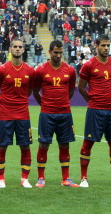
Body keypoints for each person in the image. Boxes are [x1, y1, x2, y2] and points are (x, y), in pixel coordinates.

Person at [77, 34, 111, 188]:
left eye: (108, 45)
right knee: (88, 143)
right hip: (95, 110)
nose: (106, 48)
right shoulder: (89, 65)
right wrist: (92, 101)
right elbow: (81, 87)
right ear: (96, 46)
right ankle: (84, 178)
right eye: (103, 45)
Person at [32, 40, 79, 188]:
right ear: (50, 52)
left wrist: (62, 102)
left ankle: (66, 178)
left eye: (60, 52)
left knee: (64, 145)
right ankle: (41, 178)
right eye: (55, 52)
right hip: (47, 114)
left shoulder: (70, 70)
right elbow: (35, 91)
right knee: (44, 144)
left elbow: (71, 91)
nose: (58, 55)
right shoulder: (41, 70)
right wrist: (46, 105)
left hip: (65, 114)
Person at [0, 38, 35, 188]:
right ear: (10, 49)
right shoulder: (2, 69)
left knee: (25, 146)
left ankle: (25, 179)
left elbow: (29, 90)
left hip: (23, 114)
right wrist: (5, 100)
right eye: (14, 47)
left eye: (20, 47)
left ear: (23, 50)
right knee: (2, 146)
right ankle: (1, 179)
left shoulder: (29, 70)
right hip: (6, 114)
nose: (17, 49)